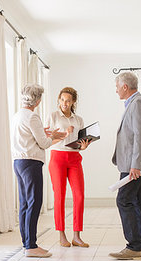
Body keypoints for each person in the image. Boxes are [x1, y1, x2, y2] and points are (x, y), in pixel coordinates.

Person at [11, 83, 66, 258]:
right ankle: (31, 246)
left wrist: (44, 133)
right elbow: (44, 143)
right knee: (34, 202)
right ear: (38, 100)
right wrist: (55, 137)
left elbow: (27, 135)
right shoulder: (33, 117)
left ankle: (26, 243)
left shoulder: (18, 115)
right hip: (31, 163)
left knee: (25, 204)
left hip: (19, 162)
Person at [109, 72, 141, 260]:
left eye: (117, 86)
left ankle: (133, 246)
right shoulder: (134, 103)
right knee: (138, 200)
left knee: (124, 200)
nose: (115, 90)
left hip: (133, 165)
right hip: (132, 163)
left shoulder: (137, 103)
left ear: (124, 87)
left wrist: (136, 164)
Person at [46, 87, 91, 248]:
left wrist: (83, 146)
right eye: (62, 100)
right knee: (60, 197)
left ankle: (77, 236)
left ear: (73, 102)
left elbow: (80, 141)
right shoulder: (52, 116)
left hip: (74, 158)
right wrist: (64, 134)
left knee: (79, 196)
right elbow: (47, 139)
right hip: (57, 157)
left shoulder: (78, 119)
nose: (65, 103)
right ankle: (62, 235)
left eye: (68, 100)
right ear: (59, 100)